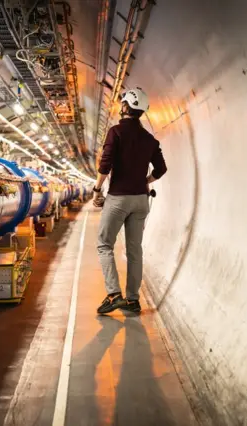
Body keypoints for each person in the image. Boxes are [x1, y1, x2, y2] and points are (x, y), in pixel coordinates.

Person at [92, 88, 167, 314]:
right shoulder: (149, 139)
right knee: (135, 250)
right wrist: (145, 180)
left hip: (118, 199)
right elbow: (161, 169)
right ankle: (133, 300)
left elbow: (105, 165)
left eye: (122, 103)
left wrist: (97, 189)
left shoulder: (116, 132)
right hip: (140, 201)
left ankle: (114, 294)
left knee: (105, 244)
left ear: (126, 107)